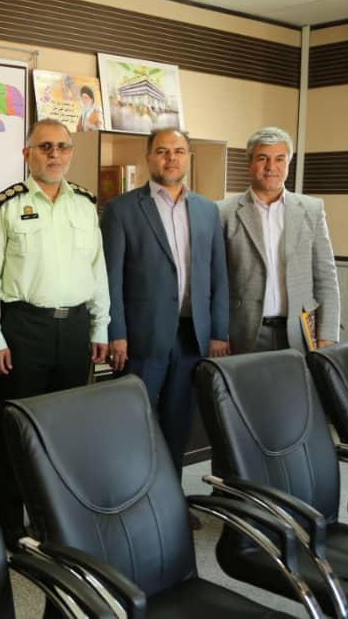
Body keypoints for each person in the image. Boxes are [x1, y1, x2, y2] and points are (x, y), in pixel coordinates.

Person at [0, 119, 110, 546]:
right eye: (45, 147)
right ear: (27, 154)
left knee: (65, 430)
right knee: (15, 430)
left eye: (62, 147)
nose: (55, 155)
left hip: (74, 329)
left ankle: (55, 521)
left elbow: (98, 271)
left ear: (70, 153)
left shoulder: (85, 205)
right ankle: (9, 528)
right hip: (23, 329)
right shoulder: (5, 206)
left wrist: (100, 326)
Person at [101, 127, 229, 478]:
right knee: (133, 422)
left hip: (192, 338)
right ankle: (133, 495)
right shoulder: (121, 209)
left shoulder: (207, 210)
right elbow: (110, 279)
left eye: (179, 151)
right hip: (141, 339)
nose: (171, 158)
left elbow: (219, 274)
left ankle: (171, 495)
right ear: (148, 158)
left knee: (178, 423)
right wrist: (116, 333)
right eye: (162, 151)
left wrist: (219, 331)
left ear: (188, 157)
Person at [220, 126, 339, 353]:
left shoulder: (311, 209)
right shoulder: (223, 212)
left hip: (299, 332)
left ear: (288, 164)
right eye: (262, 158)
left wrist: (328, 333)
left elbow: (326, 276)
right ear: (249, 164)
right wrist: (217, 333)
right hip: (243, 332)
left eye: (279, 159)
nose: (270, 166)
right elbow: (214, 282)